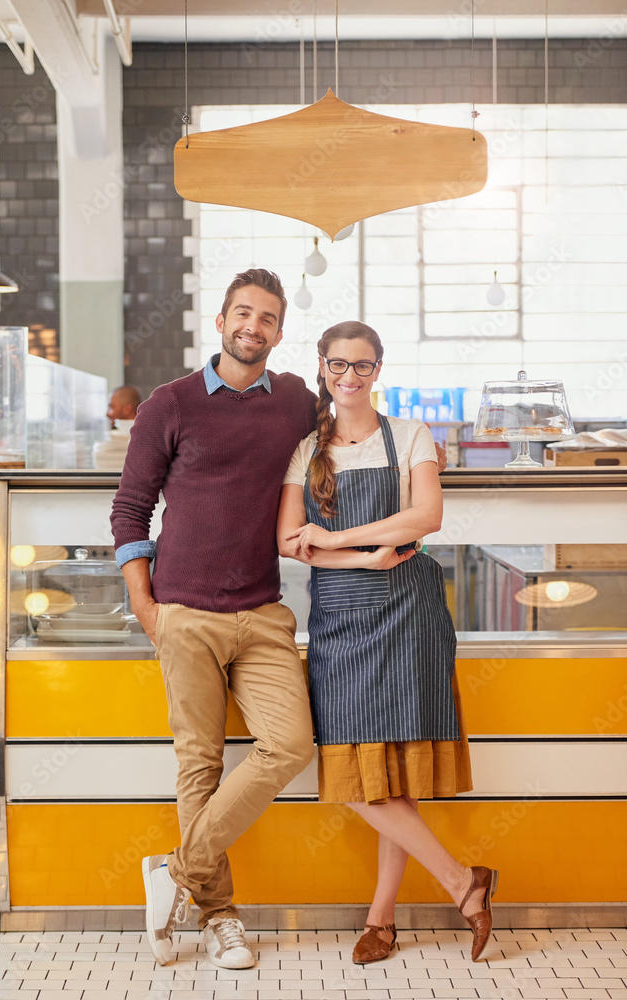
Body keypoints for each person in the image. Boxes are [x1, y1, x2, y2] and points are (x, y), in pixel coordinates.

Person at [110, 269, 318, 970]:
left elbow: (349, 423)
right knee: (198, 764)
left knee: (289, 746)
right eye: (242, 313)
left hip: (262, 612)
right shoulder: (169, 405)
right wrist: (146, 605)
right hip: (185, 613)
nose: (252, 327)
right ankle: (220, 917)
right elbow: (130, 510)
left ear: (280, 333)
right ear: (222, 320)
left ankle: (174, 872)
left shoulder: (294, 400)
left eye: (266, 318)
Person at [277, 321, 499, 966]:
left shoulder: (410, 435)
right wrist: (363, 558)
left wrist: (338, 539)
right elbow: (289, 539)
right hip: (343, 616)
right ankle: (464, 882)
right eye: (338, 364)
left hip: (409, 614)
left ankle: (382, 917)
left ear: (379, 370)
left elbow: (425, 518)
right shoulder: (303, 450)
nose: (350, 376)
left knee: (392, 766)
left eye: (363, 365)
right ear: (321, 367)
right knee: (352, 771)